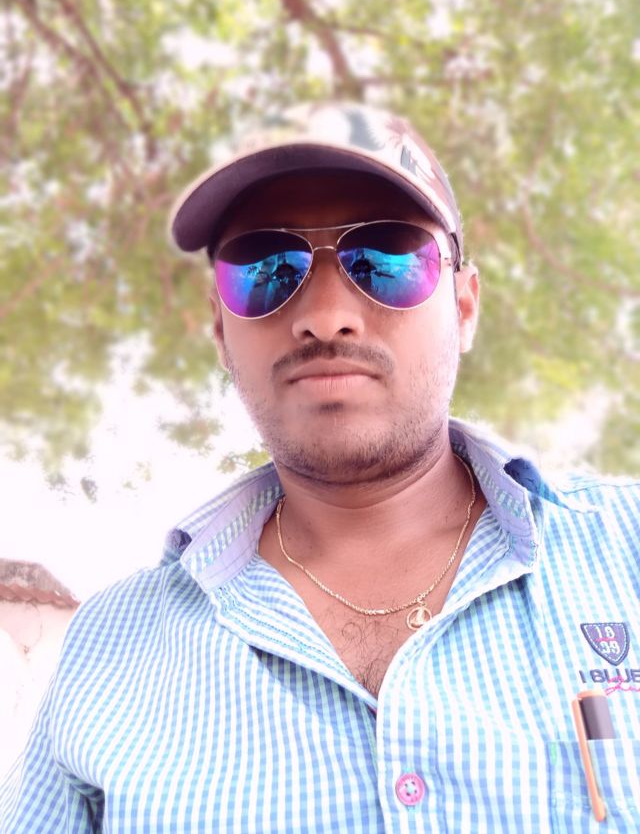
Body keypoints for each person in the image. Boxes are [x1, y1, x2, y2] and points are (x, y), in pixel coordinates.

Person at [1, 102, 639, 833]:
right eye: (265, 268)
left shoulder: (627, 547)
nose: (326, 314)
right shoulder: (112, 646)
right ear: (220, 329)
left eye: (386, 258)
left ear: (464, 306)